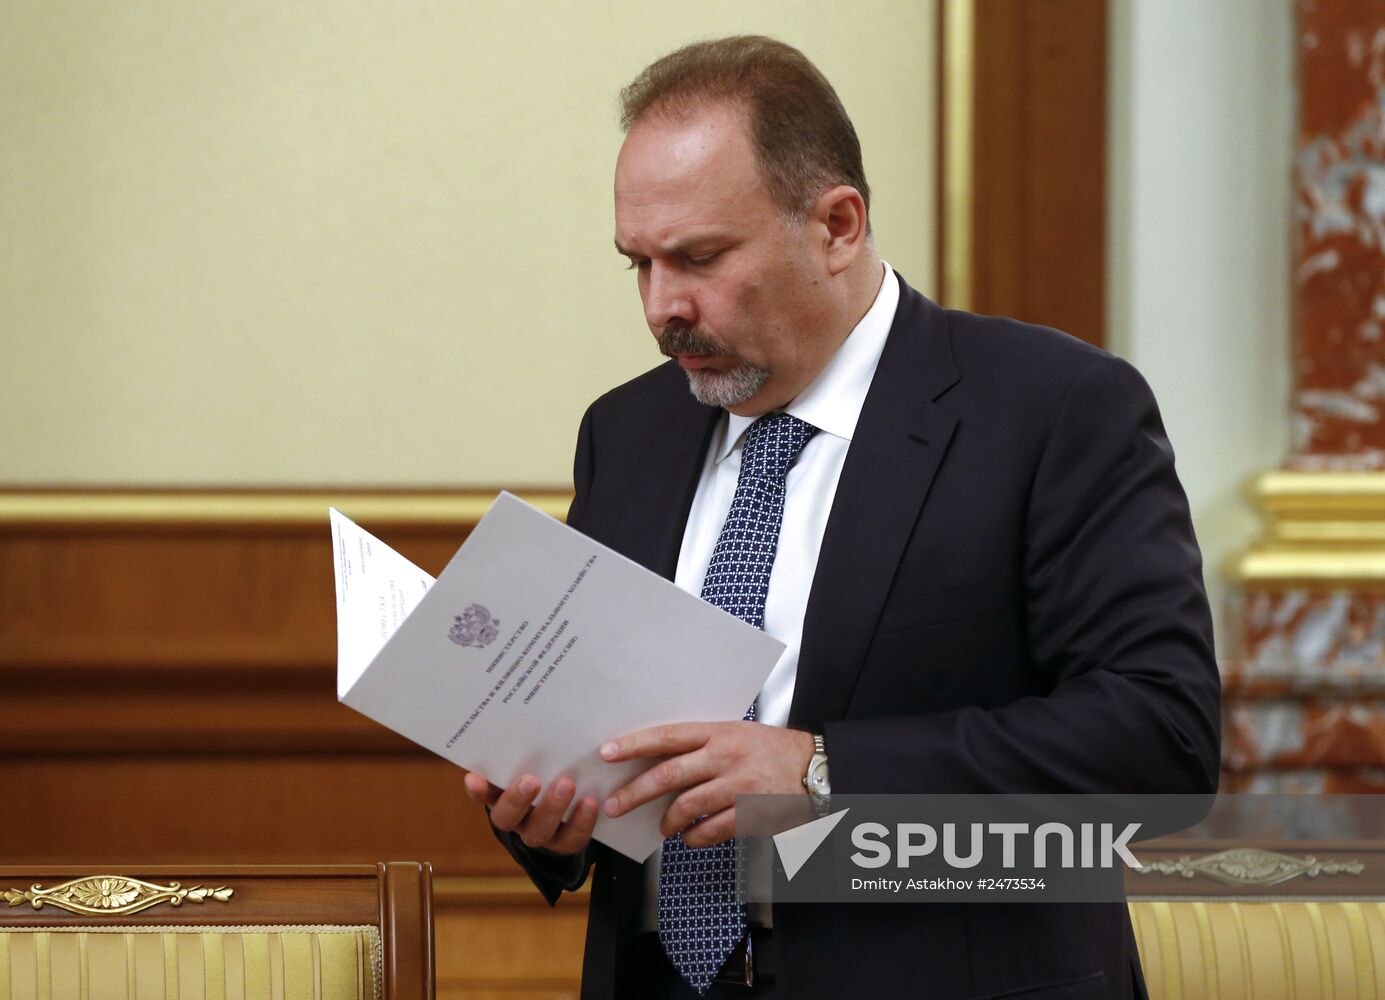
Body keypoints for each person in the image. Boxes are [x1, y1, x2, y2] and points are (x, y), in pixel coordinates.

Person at [464, 35, 1220, 1000]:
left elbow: (1160, 741)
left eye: (698, 258)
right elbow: (595, 743)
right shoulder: (627, 432)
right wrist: (543, 817)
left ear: (836, 225)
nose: (663, 309)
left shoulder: (1053, 407)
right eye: (638, 266)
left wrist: (825, 772)